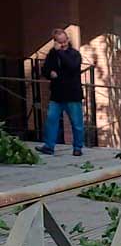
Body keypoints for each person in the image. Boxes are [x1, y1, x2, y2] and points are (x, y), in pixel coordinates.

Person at [39, 27, 85, 156]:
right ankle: (49, 146)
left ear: (67, 40)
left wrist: (60, 52)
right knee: (51, 120)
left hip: (72, 94)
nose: (63, 44)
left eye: (64, 41)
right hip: (57, 95)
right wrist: (49, 73)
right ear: (55, 42)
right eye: (60, 42)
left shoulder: (74, 53)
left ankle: (77, 147)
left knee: (76, 123)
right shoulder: (52, 54)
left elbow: (72, 66)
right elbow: (44, 69)